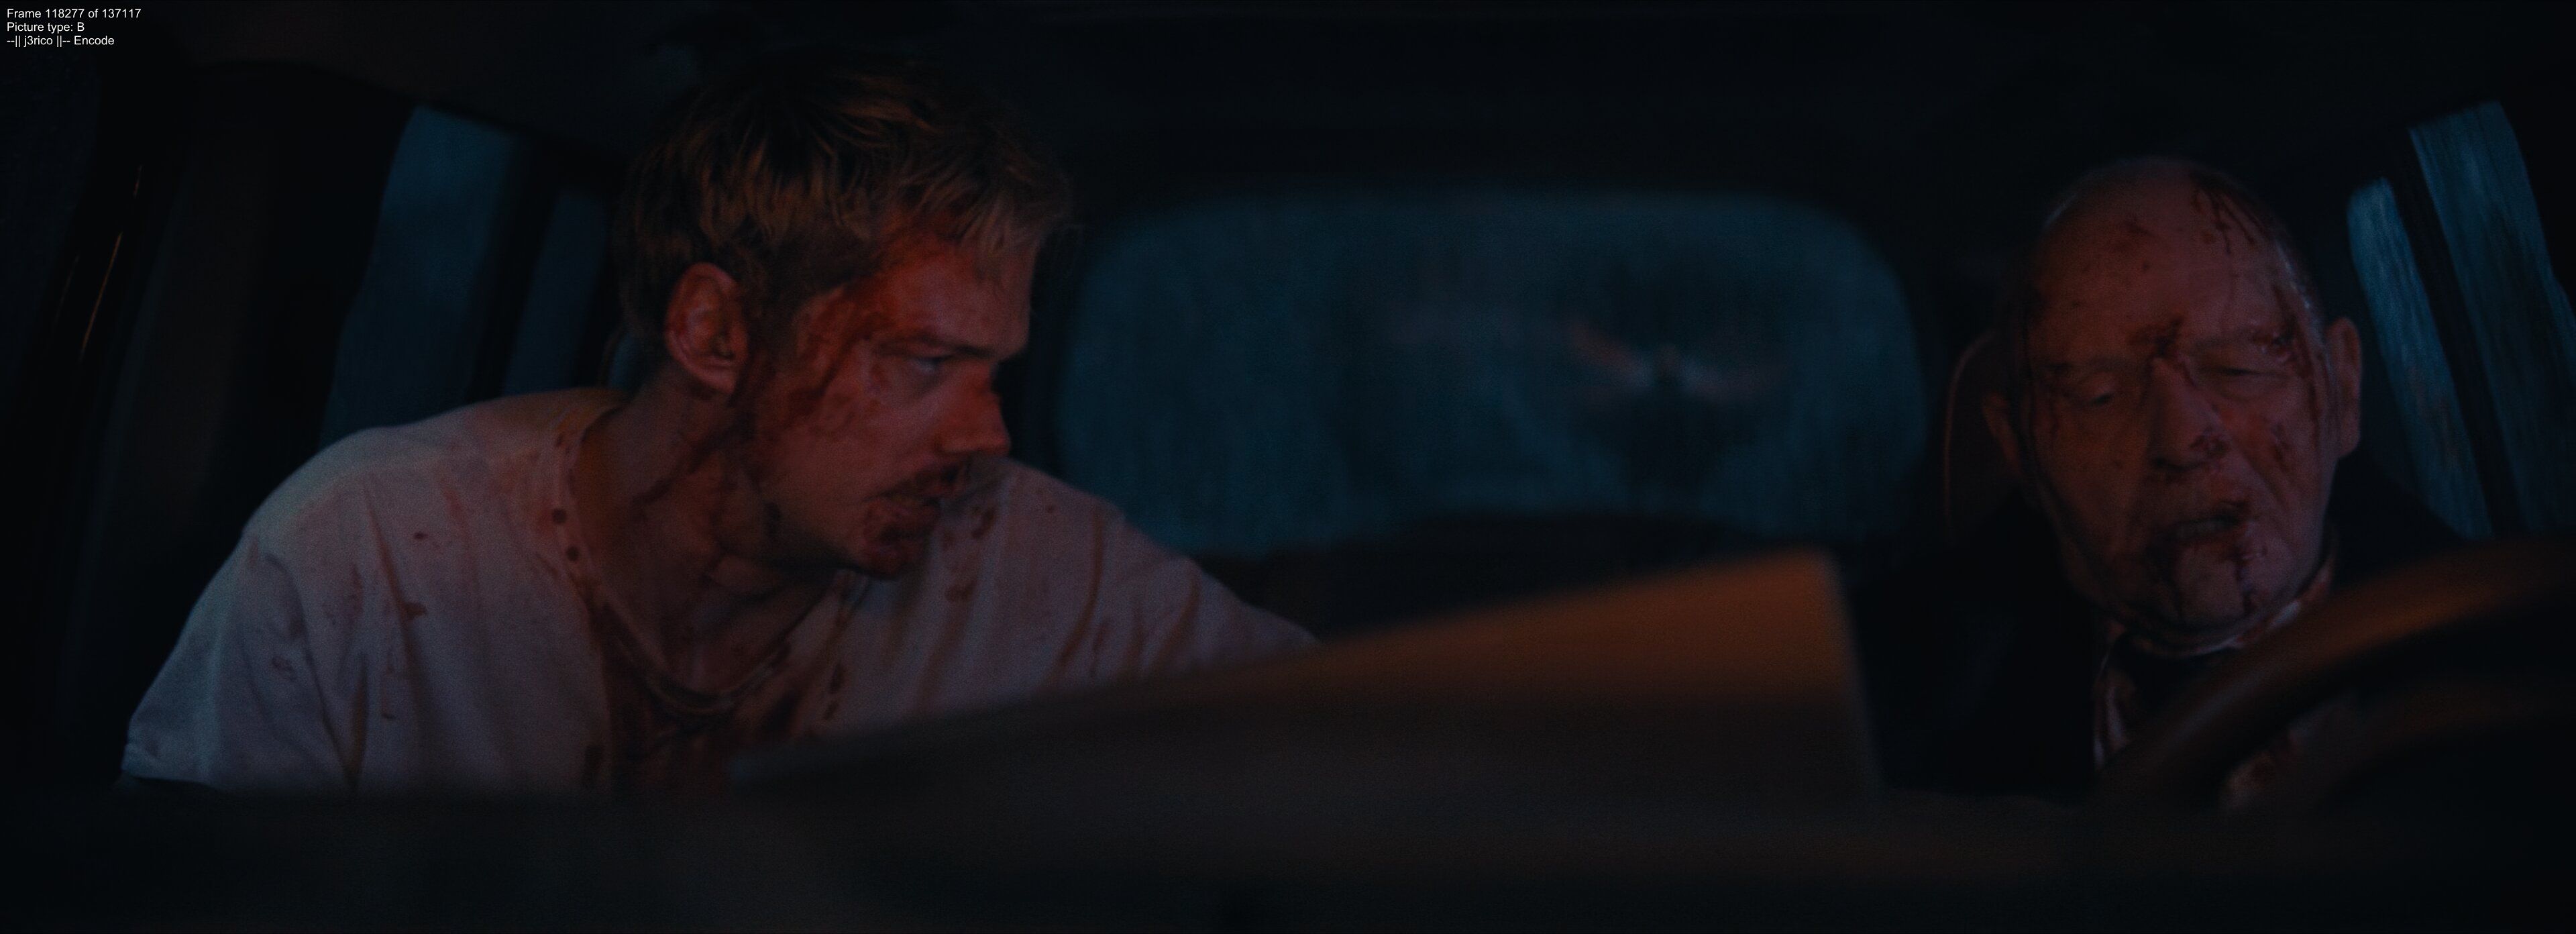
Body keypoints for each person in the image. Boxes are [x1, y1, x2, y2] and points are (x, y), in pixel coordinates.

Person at [121, 50, 1313, 796]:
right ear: (718, 333)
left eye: (993, 370)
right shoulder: (365, 557)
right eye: (922, 362)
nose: (986, 437)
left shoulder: (1045, 566)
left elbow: (1341, 744)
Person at [1859, 158, 2461, 804]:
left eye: (2239, 369)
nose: (2181, 441)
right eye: (2100, 396)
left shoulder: (2511, 645)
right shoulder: (1879, 698)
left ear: (2342, 387)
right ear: (2019, 449)